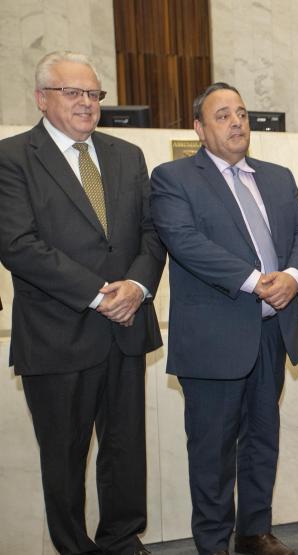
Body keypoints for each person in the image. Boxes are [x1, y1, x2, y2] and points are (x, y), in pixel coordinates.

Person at [0, 51, 165, 555]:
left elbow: (151, 233)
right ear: (41, 98)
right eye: (73, 92)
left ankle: (122, 540)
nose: (87, 103)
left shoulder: (127, 155)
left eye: (94, 93)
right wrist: (97, 295)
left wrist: (136, 286)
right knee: (64, 458)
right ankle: (73, 548)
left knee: (125, 450)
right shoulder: (12, 158)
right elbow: (18, 244)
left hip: (126, 325)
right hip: (57, 335)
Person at [150, 82, 298, 555]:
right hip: (213, 339)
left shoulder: (277, 177)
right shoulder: (174, 177)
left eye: (241, 113)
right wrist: (255, 281)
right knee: (212, 451)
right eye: (222, 115)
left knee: (263, 438)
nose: (237, 122)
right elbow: (184, 241)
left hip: (272, 332)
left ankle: (254, 533)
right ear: (199, 129)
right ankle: (212, 544)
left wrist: (292, 276)